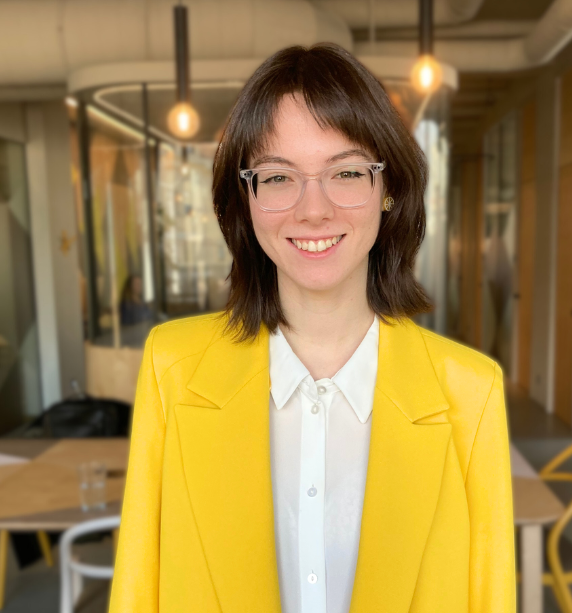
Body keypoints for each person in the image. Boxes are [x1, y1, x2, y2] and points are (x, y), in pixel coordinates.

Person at [108, 44, 515, 613]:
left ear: (388, 188)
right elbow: (137, 593)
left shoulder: (471, 392)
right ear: (245, 200)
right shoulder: (172, 369)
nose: (313, 209)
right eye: (278, 177)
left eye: (346, 172)